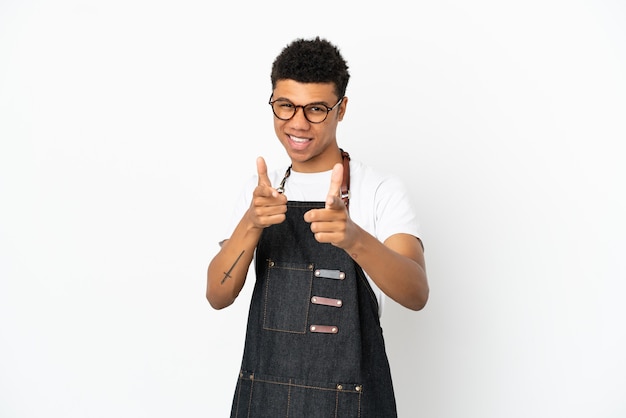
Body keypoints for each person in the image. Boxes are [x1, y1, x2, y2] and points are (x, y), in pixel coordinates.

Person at [206, 36, 429, 418]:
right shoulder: (260, 191)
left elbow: (416, 292)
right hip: (265, 400)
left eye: (316, 109)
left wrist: (354, 238)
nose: (298, 122)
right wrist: (251, 222)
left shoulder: (379, 190)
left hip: (351, 404)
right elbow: (218, 294)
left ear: (341, 109)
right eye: (285, 106)